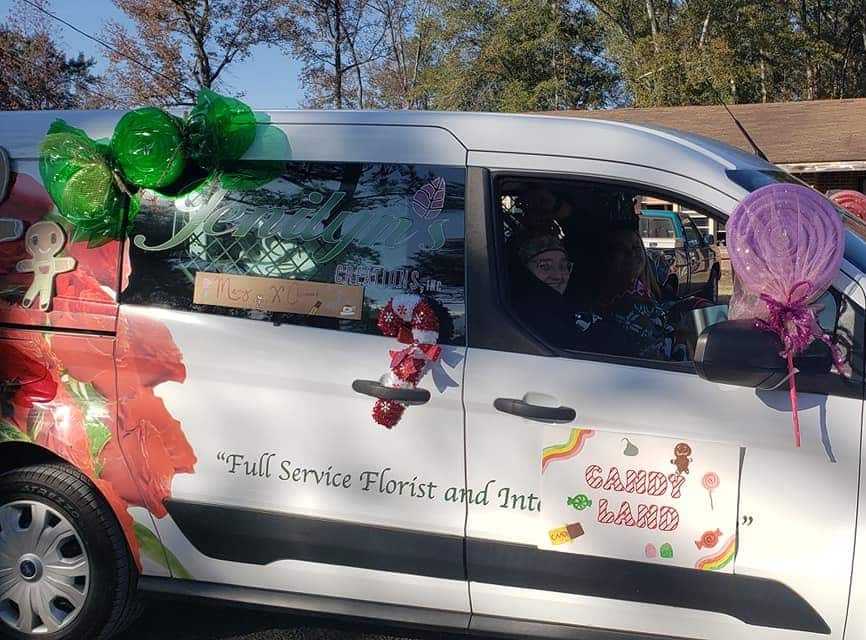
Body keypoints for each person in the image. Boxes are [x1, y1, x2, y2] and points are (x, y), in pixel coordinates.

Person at [509, 234, 628, 353]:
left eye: (563, 266)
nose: (557, 276)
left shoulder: (569, 304)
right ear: (525, 271)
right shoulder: (528, 319)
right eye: (545, 266)